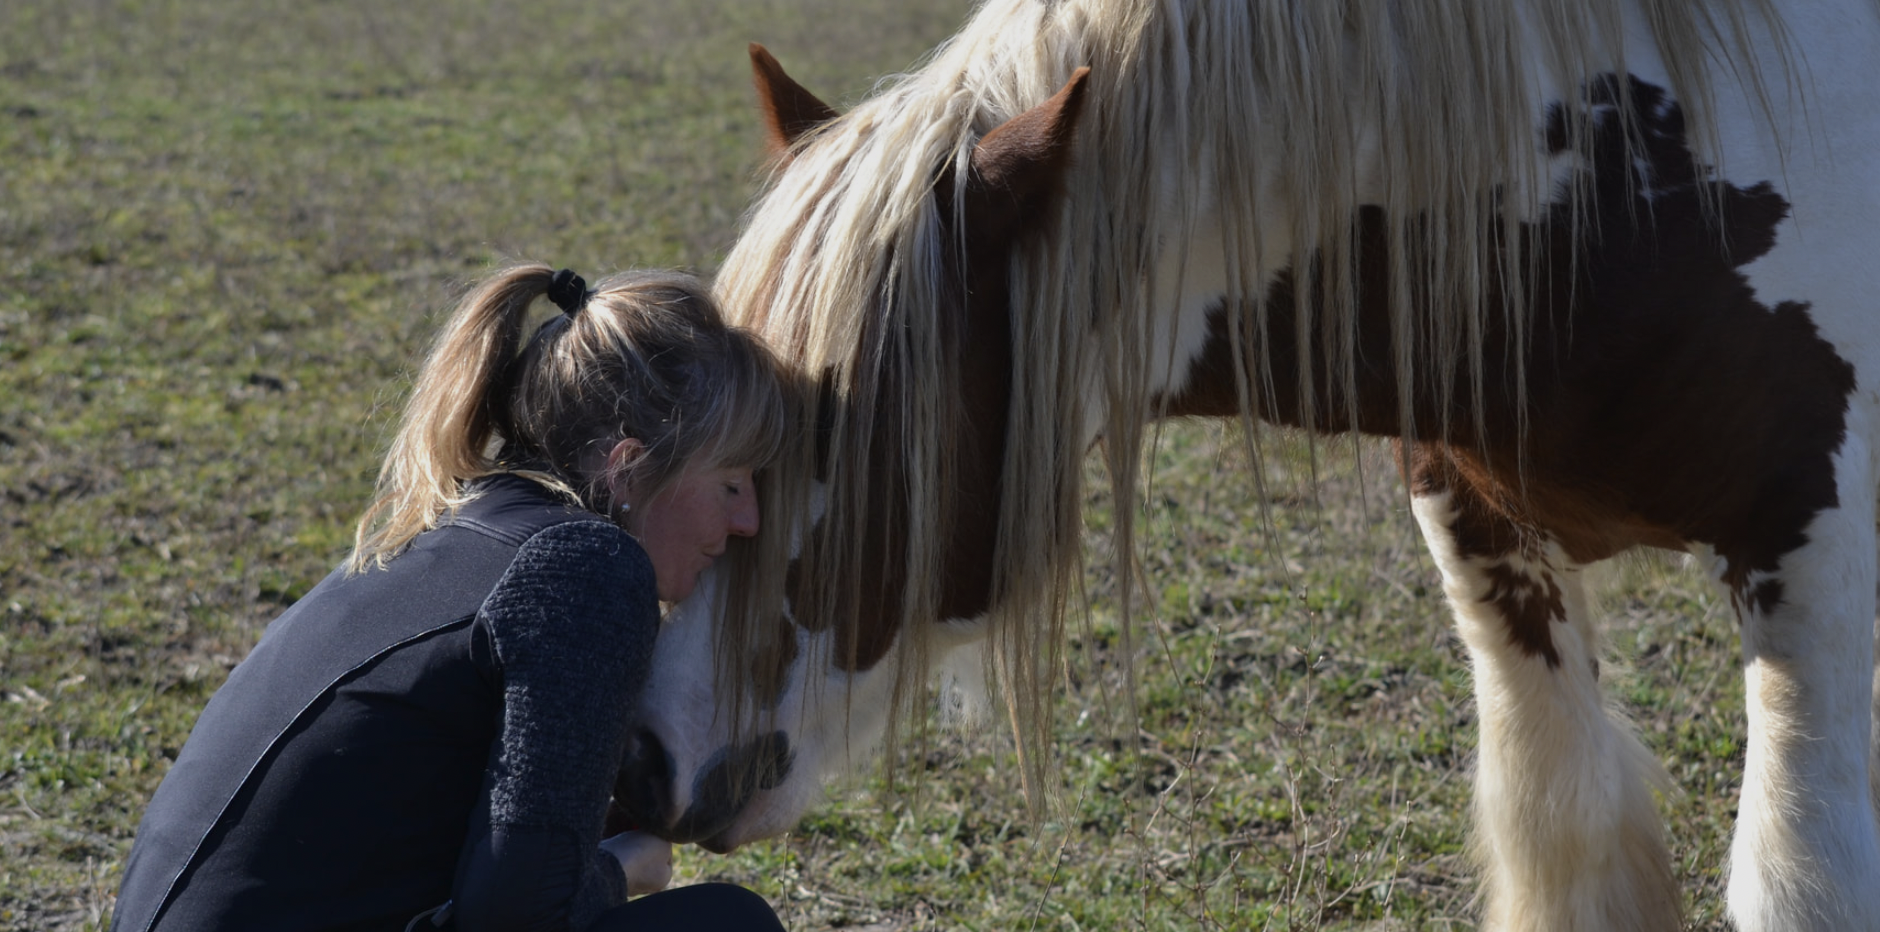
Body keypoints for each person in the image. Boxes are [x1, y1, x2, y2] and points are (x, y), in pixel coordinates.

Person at [111, 264, 791, 932]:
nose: (748, 523)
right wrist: (624, 869)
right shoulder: (590, 568)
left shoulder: (456, 527)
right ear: (629, 468)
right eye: (730, 484)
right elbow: (523, 912)